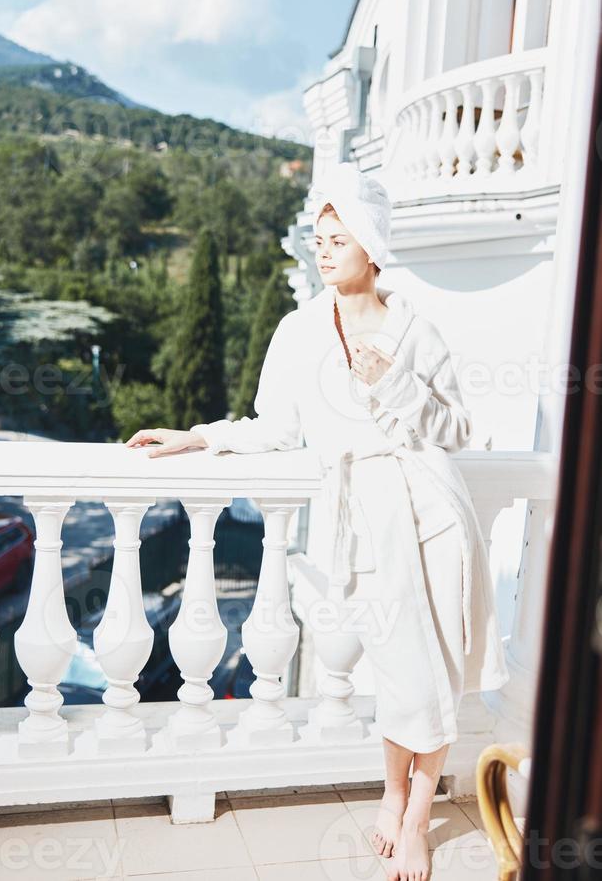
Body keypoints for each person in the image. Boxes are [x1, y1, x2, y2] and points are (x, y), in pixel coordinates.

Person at [125, 162, 509, 881]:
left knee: (439, 670)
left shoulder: (414, 331)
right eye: (320, 238)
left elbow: (455, 428)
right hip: (367, 519)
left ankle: (414, 812)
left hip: (434, 509)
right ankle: (394, 792)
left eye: (339, 239)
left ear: (371, 246)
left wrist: (391, 380)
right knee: (401, 672)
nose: (324, 250)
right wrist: (198, 436)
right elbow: (274, 426)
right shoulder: (299, 332)